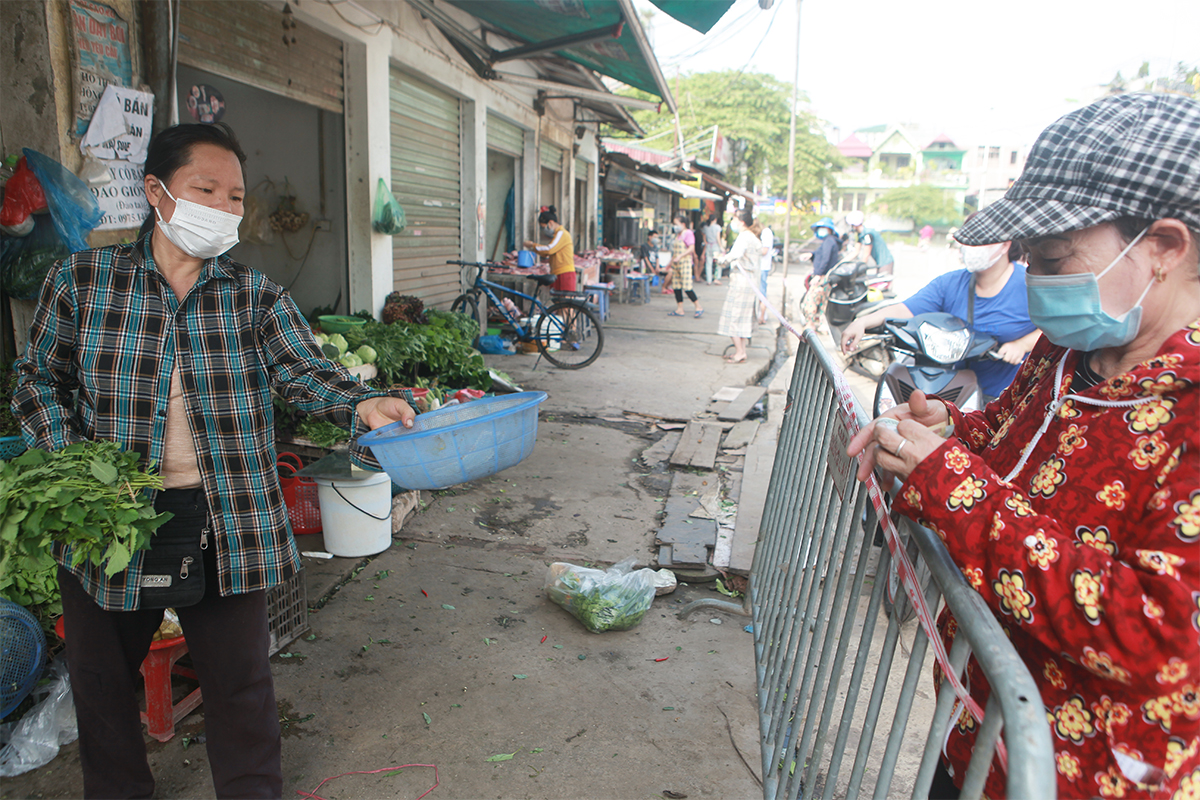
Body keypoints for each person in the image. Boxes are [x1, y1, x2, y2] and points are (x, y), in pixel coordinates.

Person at [11, 123, 415, 799]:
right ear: (156, 192)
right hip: (108, 521)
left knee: (242, 685)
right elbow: (36, 380)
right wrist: (71, 464)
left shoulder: (253, 294)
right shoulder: (82, 280)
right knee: (103, 685)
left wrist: (363, 404)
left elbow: (303, 372)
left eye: (235, 197)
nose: (224, 208)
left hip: (226, 513)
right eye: (207, 190)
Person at [847, 93, 1200, 800]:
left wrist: (947, 484)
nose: (1035, 279)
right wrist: (950, 432)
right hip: (985, 734)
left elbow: (1159, 639)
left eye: (1054, 257)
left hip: (1095, 776)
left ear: (1161, 248)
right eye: (1028, 259)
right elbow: (1013, 448)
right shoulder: (1067, 350)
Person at [840, 232, 1040, 401]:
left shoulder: (1029, 285)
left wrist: (1022, 345)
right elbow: (906, 309)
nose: (971, 247)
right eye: (968, 240)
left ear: (1005, 245)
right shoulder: (950, 284)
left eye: (979, 241)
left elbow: (1056, 328)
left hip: (1009, 395)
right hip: (957, 389)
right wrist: (863, 322)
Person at [715, 208, 762, 362]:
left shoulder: (744, 237)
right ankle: (741, 351)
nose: (732, 223)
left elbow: (735, 255)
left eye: (734, 219)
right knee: (742, 319)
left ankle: (740, 352)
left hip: (741, 283)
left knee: (733, 318)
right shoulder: (753, 238)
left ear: (741, 222)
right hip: (750, 283)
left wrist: (721, 260)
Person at [798, 217, 842, 330]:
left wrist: (818, 274)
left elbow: (825, 259)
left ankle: (811, 324)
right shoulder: (830, 242)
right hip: (827, 278)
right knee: (823, 302)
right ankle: (823, 325)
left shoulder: (829, 242)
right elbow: (819, 253)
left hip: (823, 277)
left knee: (811, 299)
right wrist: (811, 255)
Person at [523, 205, 575, 292]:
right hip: (557, 273)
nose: (544, 230)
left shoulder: (562, 233)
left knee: (564, 304)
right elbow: (546, 252)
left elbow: (549, 249)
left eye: (543, 227)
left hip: (564, 274)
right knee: (557, 303)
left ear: (550, 223)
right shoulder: (557, 235)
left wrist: (532, 245)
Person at [666, 213, 703, 318]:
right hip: (676, 264)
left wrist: (681, 256)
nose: (675, 226)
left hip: (685, 264)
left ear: (683, 224)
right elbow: (675, 253)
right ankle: (680, 309)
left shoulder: (688, 233)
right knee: (676, 287)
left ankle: (698, 306)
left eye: (676, 224)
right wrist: (669, 264)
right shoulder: (677, 236)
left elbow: (691, 248)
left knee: (687, 287)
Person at [845, 209, 895, 275]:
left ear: (854, 225)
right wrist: (842, 262)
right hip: (880, 263)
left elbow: (866, 255)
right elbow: (856, 252)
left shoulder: (867, 234)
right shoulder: (861, 234)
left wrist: (859, 268)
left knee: (880, 283)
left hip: (885, 263)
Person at [757, 223, 774, 324]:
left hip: (762, 267)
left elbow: (764, 251)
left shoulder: (766, 233)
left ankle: (762, 316)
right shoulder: (764, 233)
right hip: (761, 267)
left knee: (761, 293)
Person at [702, 213, 725, 284]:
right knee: (718, 263)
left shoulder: (706, 227)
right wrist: (721, 247)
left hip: (708, 246)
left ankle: (708, 280)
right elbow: (718, 238)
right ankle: (716, 278)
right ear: (715, 219)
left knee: (708, 263)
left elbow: (704, 237)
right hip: (715, 246)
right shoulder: (717, 227)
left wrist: (706, 242)